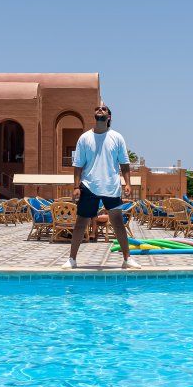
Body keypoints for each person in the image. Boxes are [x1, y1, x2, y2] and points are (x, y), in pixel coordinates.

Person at [66, 103, 136, 270]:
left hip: (111, 186)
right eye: (98, 108)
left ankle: (127, 259)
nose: (100, 109)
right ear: (94, 115)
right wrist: (76, 186)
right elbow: (77, 165)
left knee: (118, 222)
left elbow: (124, 164)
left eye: (104, 109)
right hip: (89, 185)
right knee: (81, 223)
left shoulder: (117, 137)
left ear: (109, 117)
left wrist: (128, 183)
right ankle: (72, 259)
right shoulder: (84, 138)